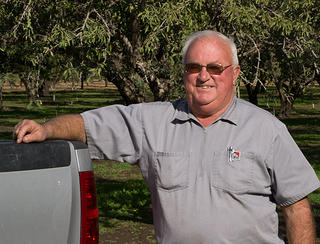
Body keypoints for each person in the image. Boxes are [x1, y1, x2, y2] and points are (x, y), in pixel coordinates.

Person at [14, 30, 319, 244]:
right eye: (193, 67)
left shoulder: (266, 129)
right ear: (183, 73)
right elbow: (86, 125)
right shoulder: (152, 122)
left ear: (235, 74)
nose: (204, 76)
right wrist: (47, 129)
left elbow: (297, 207)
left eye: (215, 67)